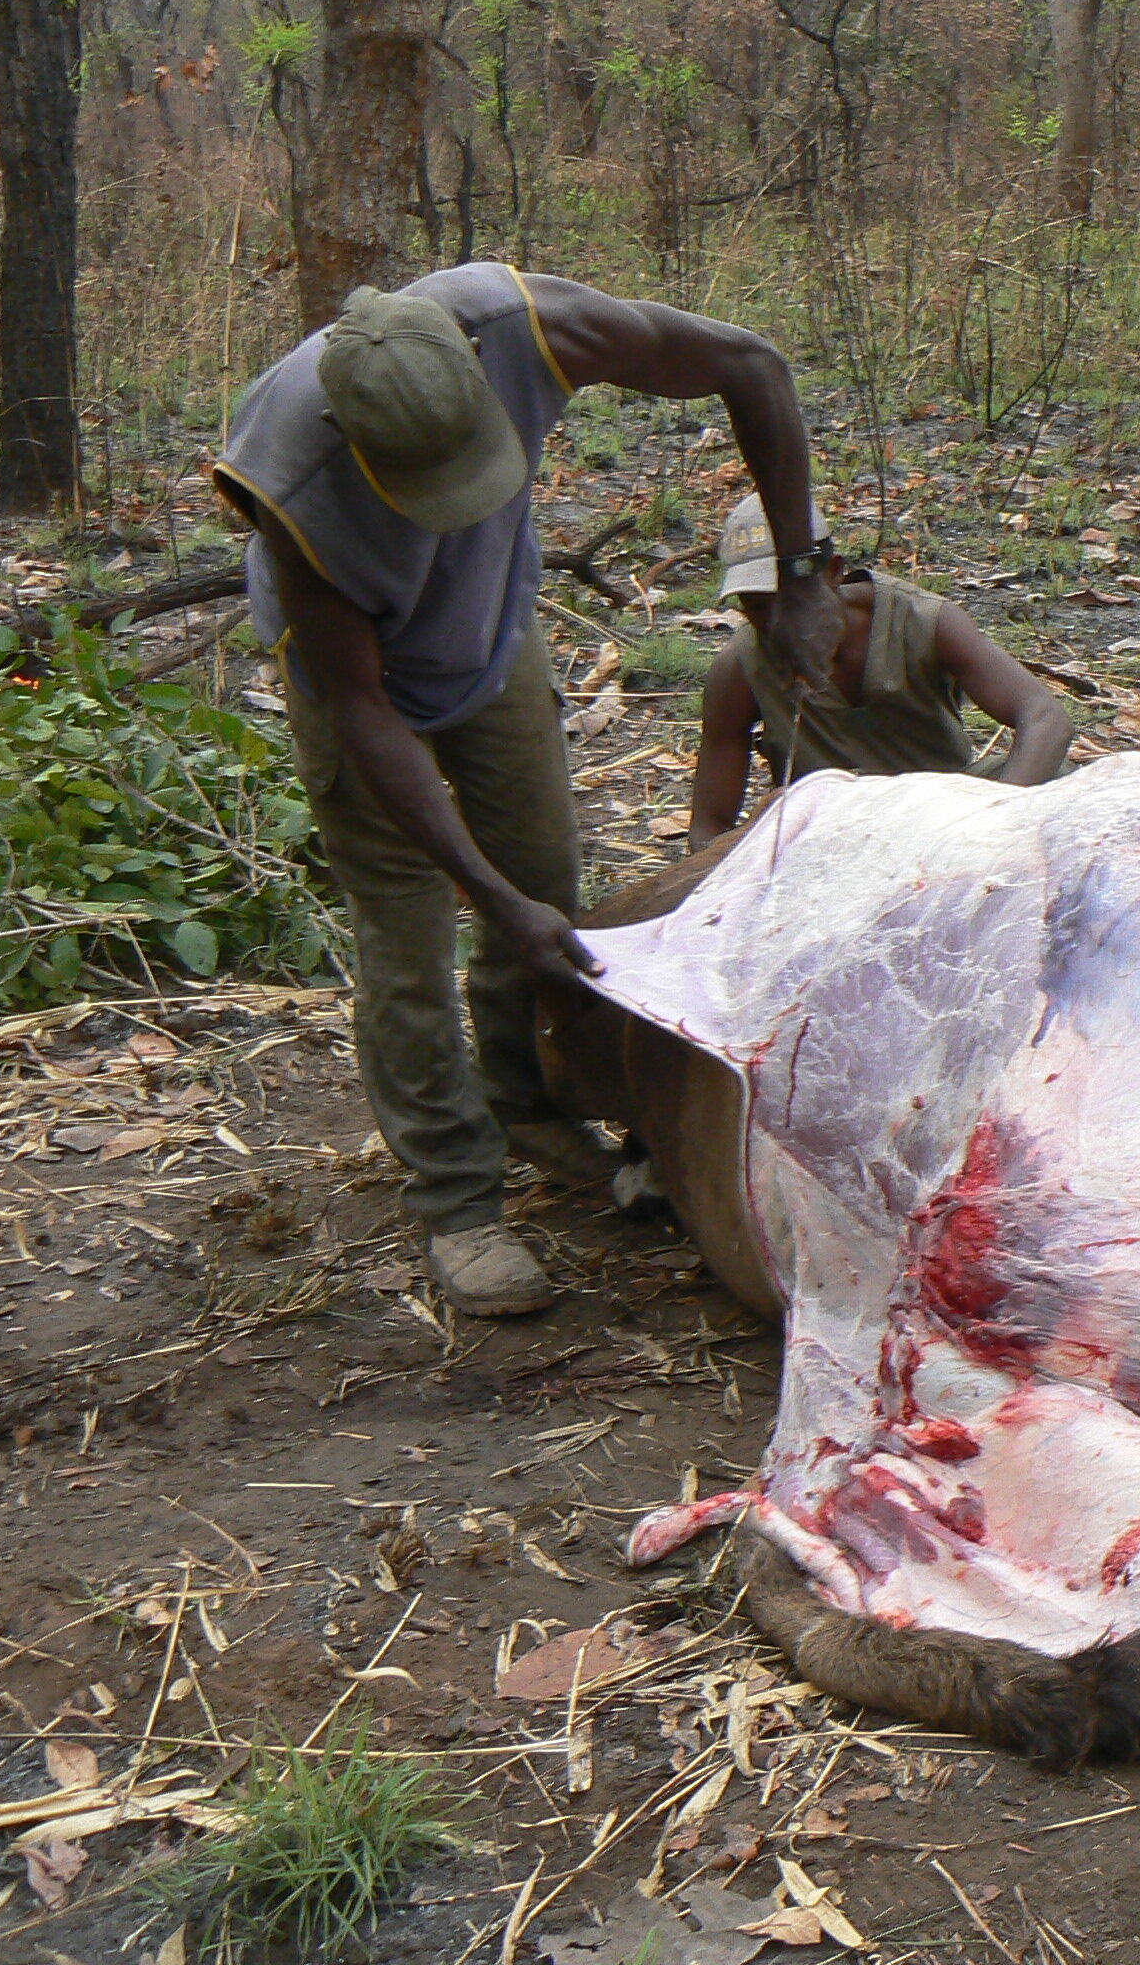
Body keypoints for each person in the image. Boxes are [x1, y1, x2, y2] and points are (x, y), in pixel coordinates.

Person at [215, 264, 840, 1318]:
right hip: (361, 673)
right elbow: (363, 707)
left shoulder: (524, 323)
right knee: (407, 935)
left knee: (546, 875)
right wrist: (480, 889)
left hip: (489, 634)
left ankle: (527, 1102)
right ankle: (457, 1199)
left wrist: (803, 569)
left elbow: (751, 363)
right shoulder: (289, 475)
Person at [686, 494, 1072, 848]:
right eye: (756, 606)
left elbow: (1044, 717)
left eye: (790, 598)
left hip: (947, 814)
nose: (776, 621)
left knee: (1066, 785)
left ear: (834, 572)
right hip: (826, 837)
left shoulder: (922, 620)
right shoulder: (742, 664)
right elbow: (708, 830)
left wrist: (994, 824)